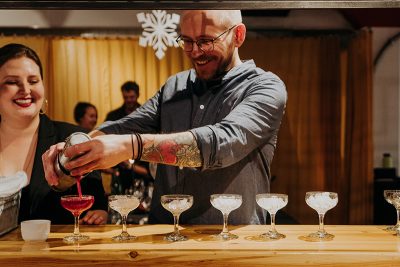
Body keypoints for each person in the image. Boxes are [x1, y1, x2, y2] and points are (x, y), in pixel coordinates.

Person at [43, 10, 287, 225]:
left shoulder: (265, 87)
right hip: (162, 234)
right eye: (187, 41)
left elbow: (221, 143)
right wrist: (74, 149)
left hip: (231, 239)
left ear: (238, 35)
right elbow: (124, 127)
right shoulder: (175, 85)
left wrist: (132, 146)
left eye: (206, 41)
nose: (195, 52)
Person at [0, 43, 108, 225]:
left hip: (55, 252)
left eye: (33, 81)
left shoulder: (74, 138)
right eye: (12, 82)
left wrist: (100, 214)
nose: (25, 90)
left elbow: (97, 205)